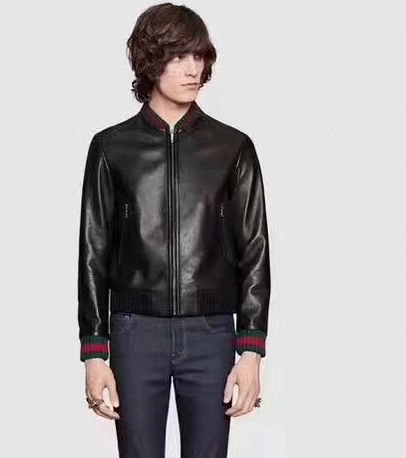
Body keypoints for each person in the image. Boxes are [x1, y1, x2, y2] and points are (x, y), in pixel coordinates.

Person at [78, 3, 271, 457]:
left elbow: (254, 249)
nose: (193, 68)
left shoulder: (232, 148)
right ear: (150, 60)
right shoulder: (111, 147)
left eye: (199, 56)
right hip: (134, 331)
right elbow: (93, 250)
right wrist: (94, 351)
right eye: (179, 56)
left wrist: (251, 349)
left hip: (211, 331)